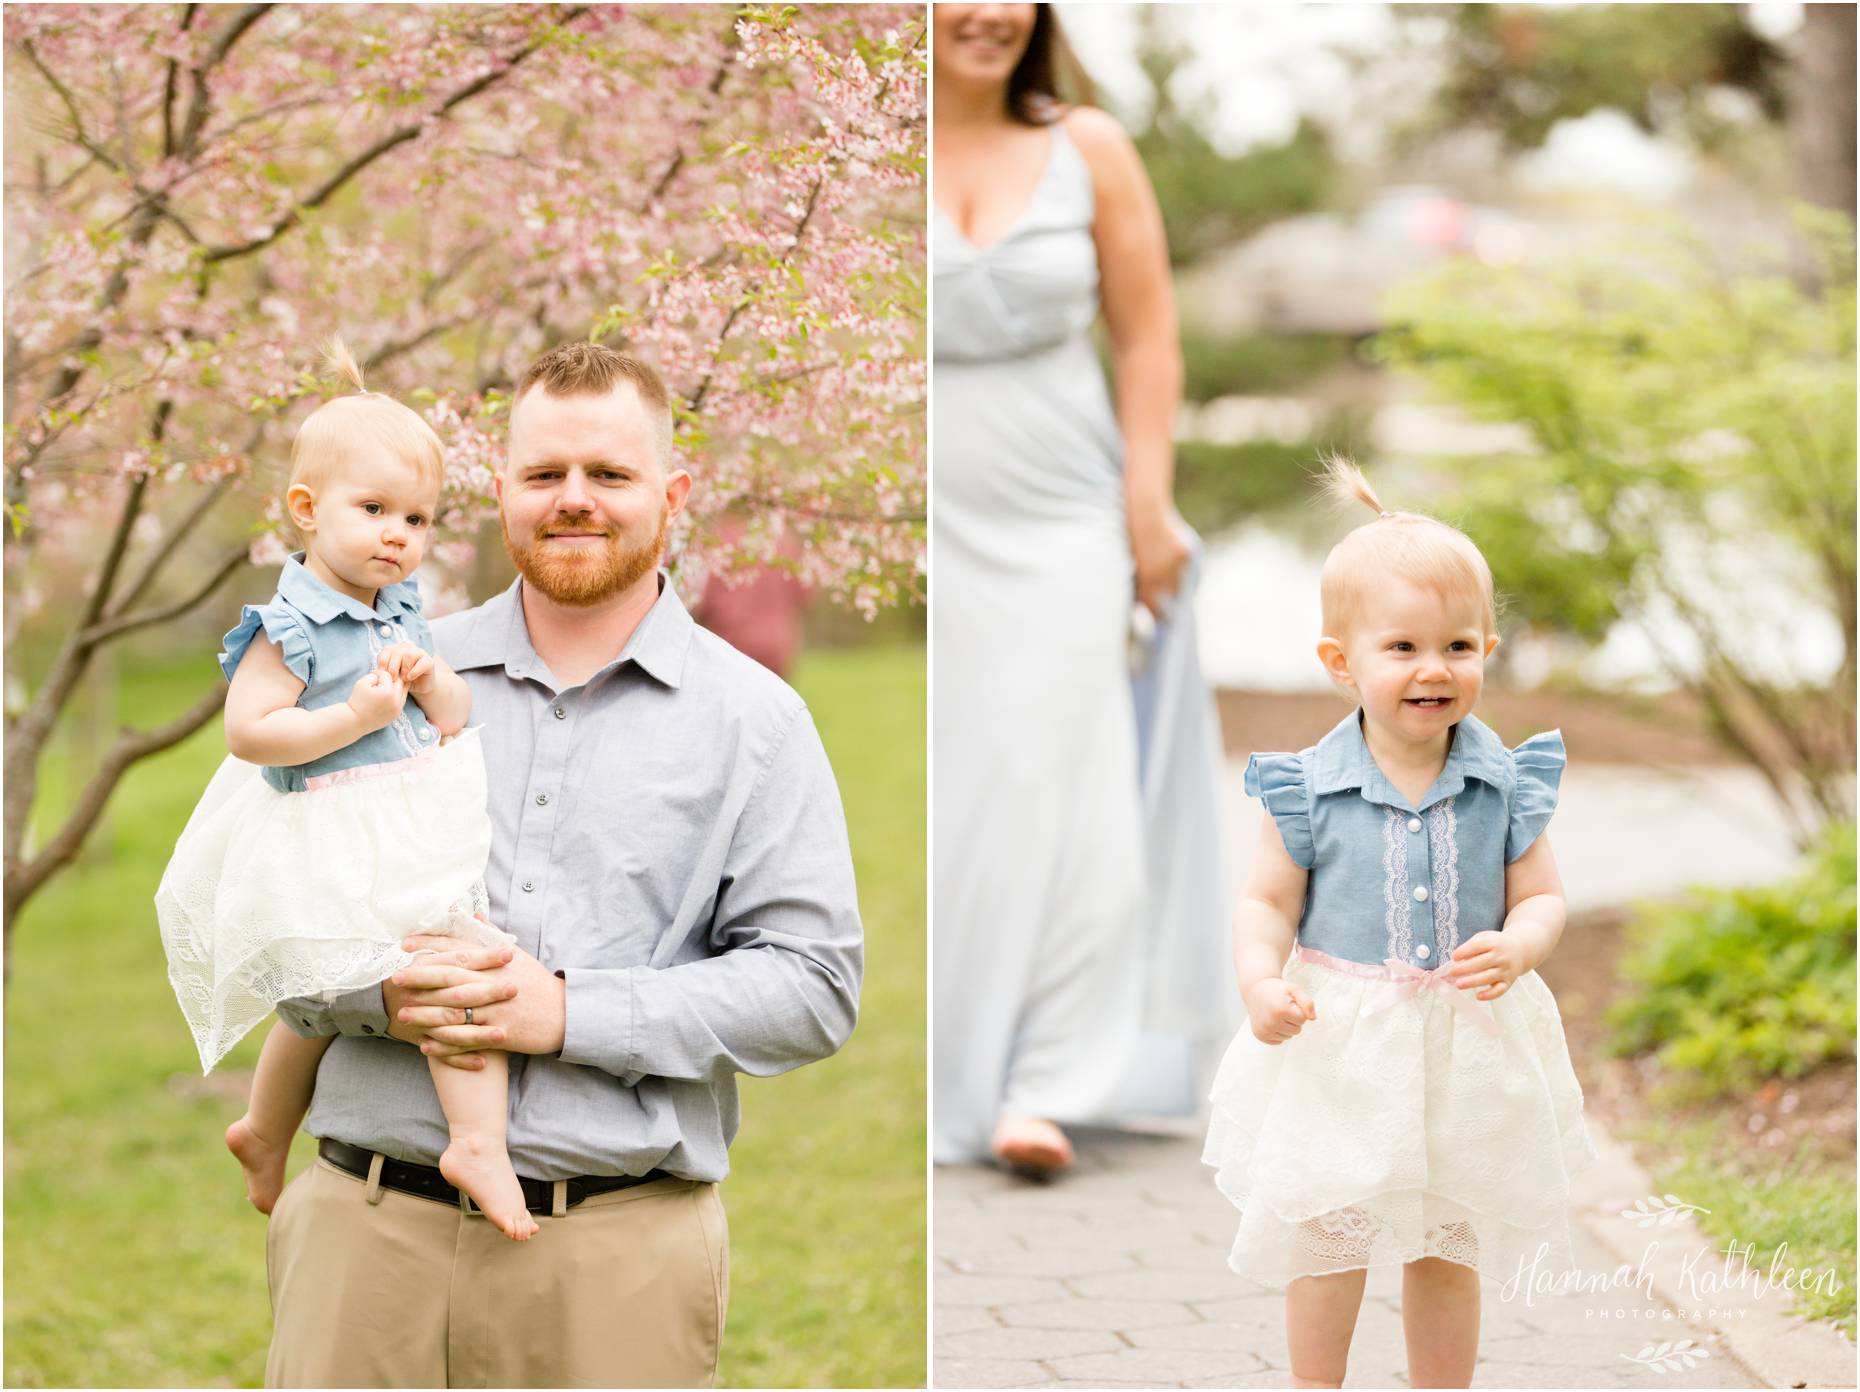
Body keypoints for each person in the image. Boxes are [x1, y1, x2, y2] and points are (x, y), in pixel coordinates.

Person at [260, 342, 864, 1389]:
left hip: (614, 1261)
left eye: (609, 475)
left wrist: (566, 1013)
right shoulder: (374, 677)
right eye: (543, 475)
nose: (573, 500)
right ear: (500, 493)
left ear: (670, 495)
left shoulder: (756, 722)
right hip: (365, 1244)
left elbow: (812, 989)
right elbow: (264, 917)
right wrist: (376, 989)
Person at [1202, 458, 1598, 1390]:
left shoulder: (1506, 782)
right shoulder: (1306, 788)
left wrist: (1522, 942)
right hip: (1343, 1043)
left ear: (1488, 649)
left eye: (1459, 646)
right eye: (1404, 648)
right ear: (1342, 663)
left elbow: (1541, 893)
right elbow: (1266, 901)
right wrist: (1262, 982)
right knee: (1330, 1233)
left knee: (1446, 1242)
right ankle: (1316, 1383)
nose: (1435, 669)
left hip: (1465, 1043)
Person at [931, 1, 1229, 1174]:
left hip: (1065, 515)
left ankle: (1044, 1082)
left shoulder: (1089, 148)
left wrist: (1146, 503)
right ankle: (952, 1064)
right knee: (960, 793)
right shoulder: (856, 155)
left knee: (1065, 784)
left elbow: (1149, 338)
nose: (993, 12)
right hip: (930, 519)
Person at [155, 339, 537, 1241]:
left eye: (418, 517)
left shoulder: (400, 609)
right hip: (326, 827)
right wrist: (352, 719)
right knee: (454, 964)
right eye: (374, 510)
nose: (399, 535)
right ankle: (478, 1142)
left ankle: (261, 1127)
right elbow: (251, 731)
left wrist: (433, 686)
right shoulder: (284, 625)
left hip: (396, 819)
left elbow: (450, 711)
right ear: (305, 509)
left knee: (327, 993)